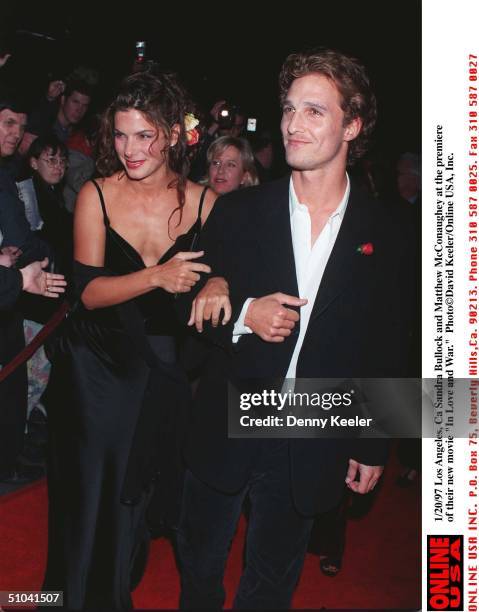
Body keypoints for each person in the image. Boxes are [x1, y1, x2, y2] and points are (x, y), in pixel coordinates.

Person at [177, 48, 417, 609]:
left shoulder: (389, 233)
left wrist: (374, 444)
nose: (291, 123)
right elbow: (185, 298)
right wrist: (241, 313)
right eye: (288, 108)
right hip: (229, 418)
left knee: (272, 580)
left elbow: (389, 342)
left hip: (314, 424)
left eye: (314, 111)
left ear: (351, 125)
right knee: (199, 564)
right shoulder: (238, 211)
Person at [42, 68, 215, 610]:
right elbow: (87, 293)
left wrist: (223, 281)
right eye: (120, 134)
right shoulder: (96, 193)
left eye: (143, 134)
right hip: (94, 367)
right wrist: (156, 277)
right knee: (87, 493)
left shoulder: (206, 202)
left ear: (170, 133)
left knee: (132, 499)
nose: (130, 148)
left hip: (159, 372)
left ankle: (113, 592)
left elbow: (226, 272)